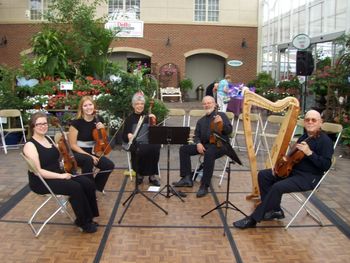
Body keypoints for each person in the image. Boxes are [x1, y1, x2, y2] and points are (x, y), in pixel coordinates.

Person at [233, 110, 334, 229]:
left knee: (278, 186)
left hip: (309, 177)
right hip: (293, 172)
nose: (310, 122)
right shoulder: (305, 136)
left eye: (314, 120)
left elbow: (326, 165)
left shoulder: (325, 141)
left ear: (320, 122)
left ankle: (253, 219)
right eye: (307, 120)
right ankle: (275, 211)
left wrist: (310, 153)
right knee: (264, 175)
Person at [23, 112, 99, 233]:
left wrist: (65, 149)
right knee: (75, 187)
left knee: (87, 183)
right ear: (33, 127)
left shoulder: (48, 139)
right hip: (42, 181)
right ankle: (83, 222)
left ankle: (88, 217)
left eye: (44, 123)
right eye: (39, 124)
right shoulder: (30, 145)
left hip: (58, 174)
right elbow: (38, 172)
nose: (43, 126)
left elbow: (59, 157)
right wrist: (61, 175)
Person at [173, 95, 233, 197]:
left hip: (220, 146)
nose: (206, 105)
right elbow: (196, 135)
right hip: (205, 145)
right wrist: (198, 143)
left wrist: (221, 124)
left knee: (209, 154)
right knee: (183, 149)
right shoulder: (201, 121)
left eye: (209, 103)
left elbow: (229, 131)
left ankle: (204, 185)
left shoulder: (221, 115)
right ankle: (187, 178)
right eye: (204, 103)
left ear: (214, 104)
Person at [68, 96, 115, 192]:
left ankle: (95, 187)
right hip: (78, 152)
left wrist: (103, 129)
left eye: (90, 104)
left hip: (94, 150)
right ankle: (88, 189)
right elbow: (73, 145)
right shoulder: (76, 123)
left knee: (109, 165)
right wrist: (89, 155)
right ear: (81, 108)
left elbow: (102, 137)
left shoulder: (99, 119)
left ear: (94, 106)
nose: (88, 107)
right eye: (85, 105)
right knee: (88, 160)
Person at [122, 92, 161, 186]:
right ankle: (139, 174)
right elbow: (123, 136)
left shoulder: (148, 117)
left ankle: (152, 176)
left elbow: (157, 133)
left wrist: (155, 120)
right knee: (141, 149)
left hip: (148, 142)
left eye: (142, 104)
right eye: (137, 104)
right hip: (136, 143)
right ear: (133, 105)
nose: (140, 106)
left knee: (155, 147)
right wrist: (128, 135)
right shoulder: (129, 119)